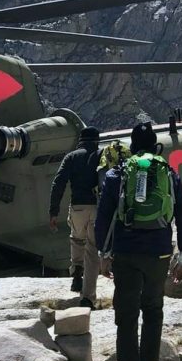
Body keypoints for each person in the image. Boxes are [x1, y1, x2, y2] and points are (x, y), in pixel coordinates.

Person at [95, 122, 182, 361]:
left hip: (125, 253)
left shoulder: (117, 174)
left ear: (132, 146)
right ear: (155, 146)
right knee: (153, 309)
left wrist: (103, 254)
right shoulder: (169, 173)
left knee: (126, 318)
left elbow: (104, 217)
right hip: (159, 253)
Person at [49, 126, 102, 309]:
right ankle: (88, 297)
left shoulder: (71, 157)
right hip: (98, 208)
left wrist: (53, 211)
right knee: (92, 251)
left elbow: (58, 183)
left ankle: (77, 269)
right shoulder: (102, 155)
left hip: (78, 207)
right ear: (96, 140)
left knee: (77, 239)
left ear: (81, 140)